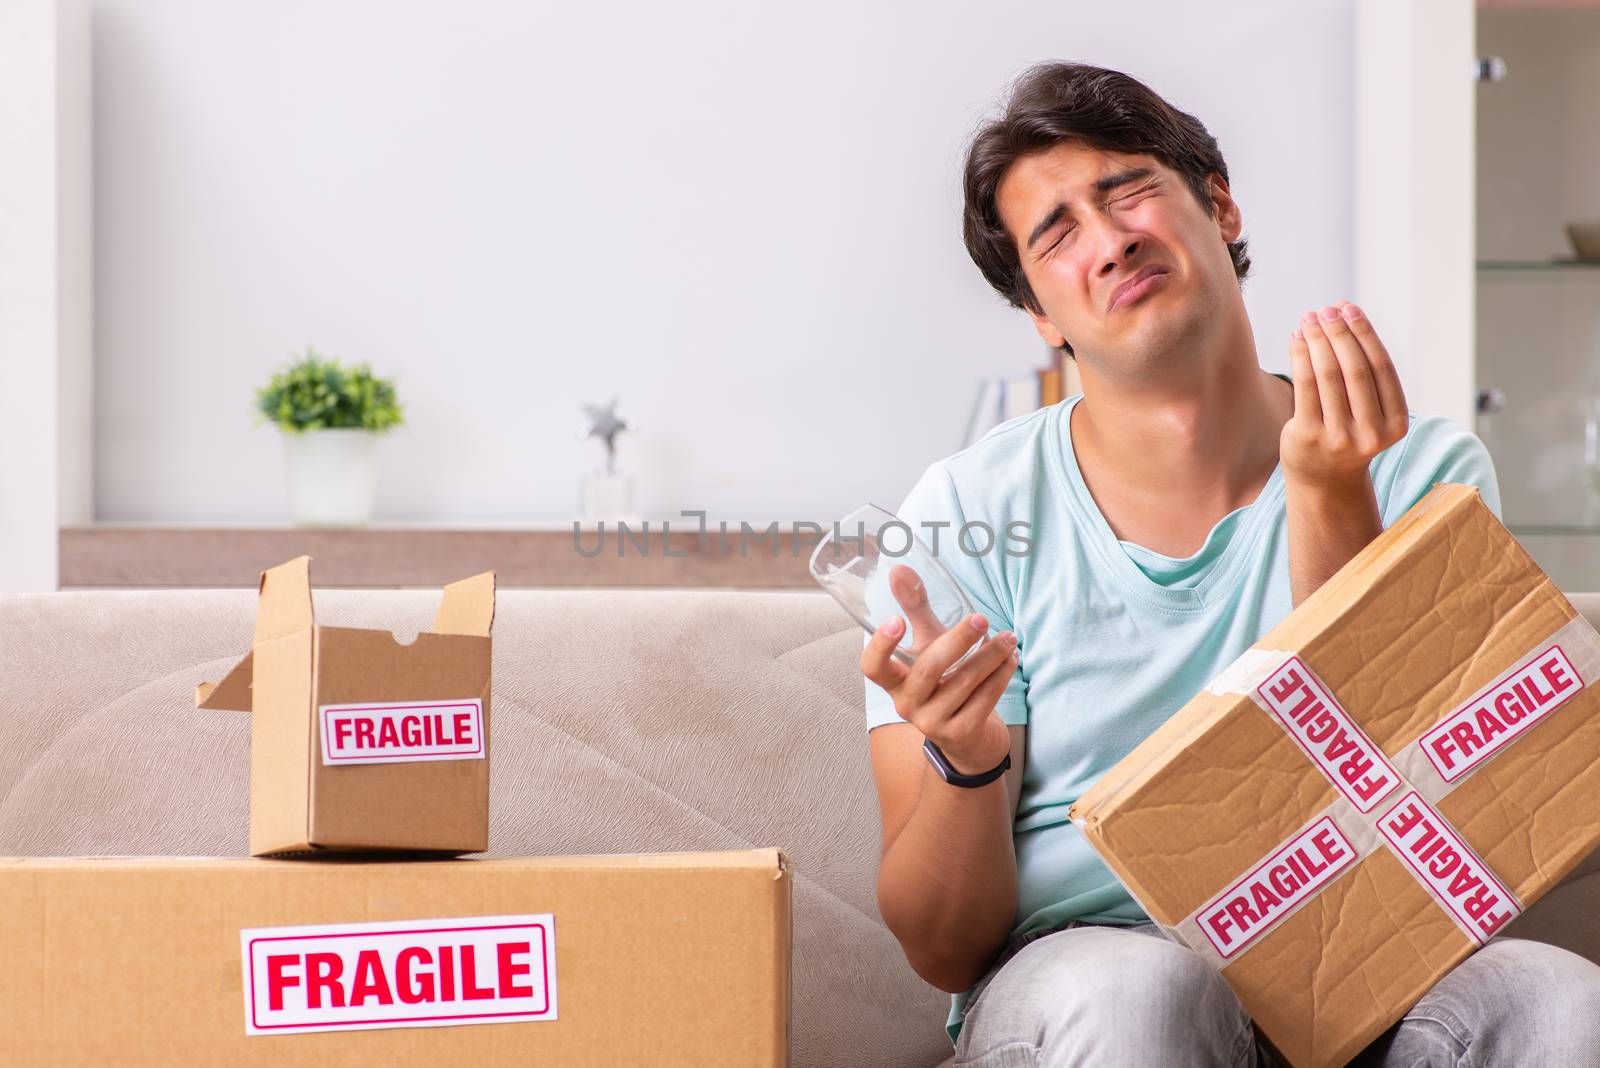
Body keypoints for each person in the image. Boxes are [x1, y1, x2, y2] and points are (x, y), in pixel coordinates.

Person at [859, 61, 1600, 1067]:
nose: (1111, 237)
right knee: (1146, 993)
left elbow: (1430, 802)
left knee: (1558, 998)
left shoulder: (1420, 467)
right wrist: (967, 761)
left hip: (1367, 961)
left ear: (1216, 204)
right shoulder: (964, 518)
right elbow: (944, 950)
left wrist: (1332, 497)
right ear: (1040, 312)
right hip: (1093, 977)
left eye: (1128, 189)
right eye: (1057, 233)